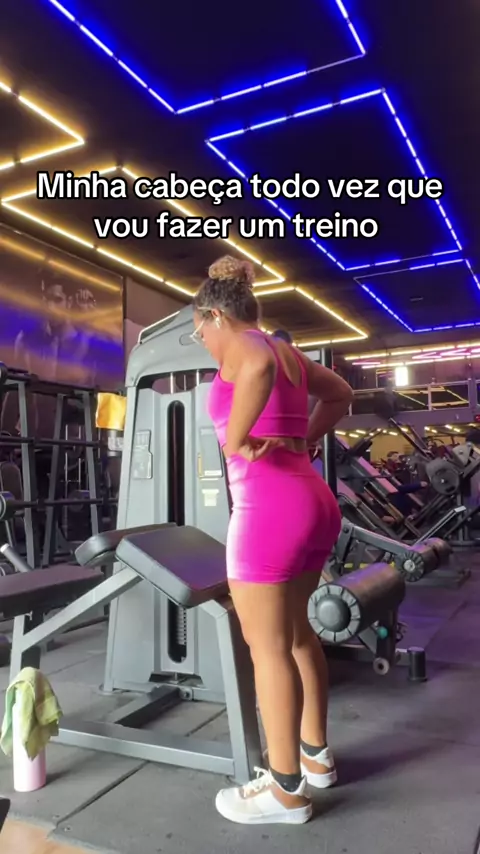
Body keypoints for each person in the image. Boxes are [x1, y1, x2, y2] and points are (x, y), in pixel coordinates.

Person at [191, 256, 353, 826]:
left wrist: (236, 439)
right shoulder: (291, 353)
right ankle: (316, 758)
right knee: (298, 634)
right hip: (313, 502)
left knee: (266, 649)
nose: (202, 342)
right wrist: (305, 439)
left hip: (267, 511)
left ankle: (285, 792)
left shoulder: (249, 347)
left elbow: (255, 364)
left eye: (200, 331)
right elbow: (341, 394)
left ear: (216, 316)